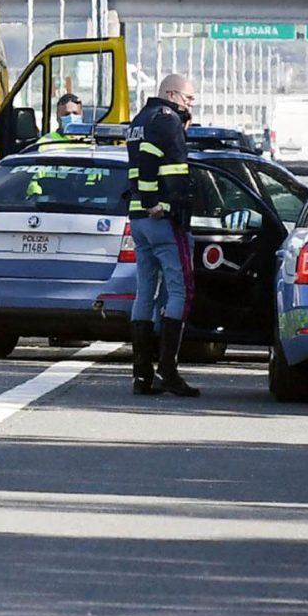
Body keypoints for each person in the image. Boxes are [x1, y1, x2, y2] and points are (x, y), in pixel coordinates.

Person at [125, 73, 199, 397]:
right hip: (163, 220)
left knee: (145, 293)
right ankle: (168, 370)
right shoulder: (167, 120)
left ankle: (142, 375)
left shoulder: (139, 120)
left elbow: (139, 167)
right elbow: (163, 171)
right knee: (181, 290)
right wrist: (159, 203)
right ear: (172, 94)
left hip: (138, 220)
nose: (191, 104)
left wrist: (144, 202)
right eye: (188, 98)